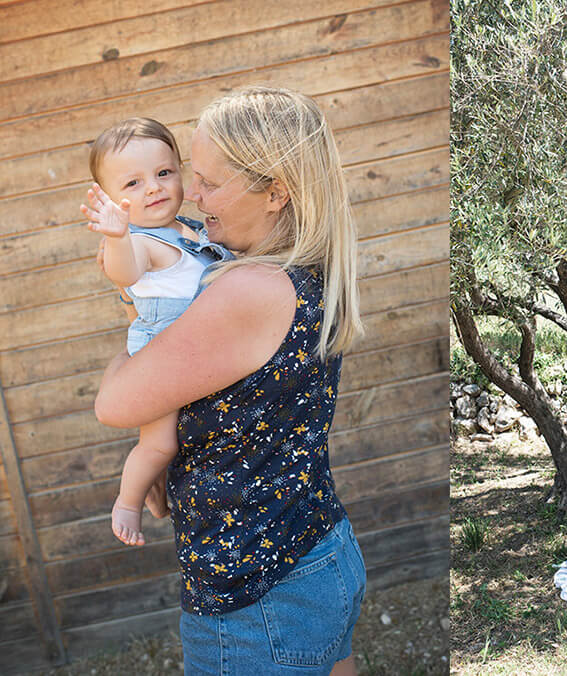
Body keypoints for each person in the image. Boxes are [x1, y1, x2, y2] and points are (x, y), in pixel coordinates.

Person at [89, 87, 366, 675]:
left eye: (210, 182)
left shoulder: (246, 291)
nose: (191, 194)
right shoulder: (307, 272)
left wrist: (139, 324)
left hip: (256, 587)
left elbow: (116, 403)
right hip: (318, 550)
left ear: (276, 191)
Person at [82, 118, 233, 548]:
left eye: (164, 173)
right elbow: (124, 271)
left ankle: (157, 486)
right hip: (162, 355)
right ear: (112, 200)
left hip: (197, 349)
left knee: (182, 437)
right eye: (133, 183)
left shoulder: (190, 229)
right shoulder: (140, 242)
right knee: (160, 442)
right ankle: (128, 502)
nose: (153, 187)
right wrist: (116, 237)